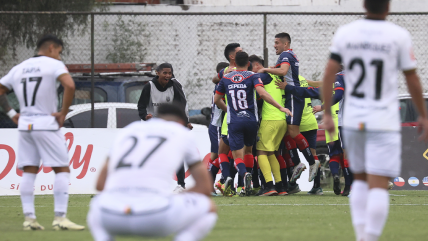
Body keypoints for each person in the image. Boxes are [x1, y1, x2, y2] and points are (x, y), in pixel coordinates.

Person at [321, 1, 428, 241]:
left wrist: (327, 113)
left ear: (364, 5)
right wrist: (423, 114)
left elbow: (328, 74)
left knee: (359, 178)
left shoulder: (346, 33)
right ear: (388, 7)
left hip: (353, 119)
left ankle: (362, 235)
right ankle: (369, 237)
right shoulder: (398, 36)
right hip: (383, 119)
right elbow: (412, 78)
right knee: (378, 181)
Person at [88, 103, 217, 241]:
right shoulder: (181, 132)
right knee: (209, 207)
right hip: (155, 216)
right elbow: (205, 187)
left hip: (110, 215)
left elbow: (100, 184)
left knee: (96, 204)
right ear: (181, 122)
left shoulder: (129, 130)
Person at [0, 34, 84, 231]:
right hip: (46, 124)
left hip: (25, 126)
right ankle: (60, 218)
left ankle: (29, 219)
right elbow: (70, 85)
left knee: (29, 171)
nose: (60, 57)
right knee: (62, 169)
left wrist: (12, 113)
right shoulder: (53, 65)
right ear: (52, 48)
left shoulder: (18, 68)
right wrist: (63, 113)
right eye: (60, 53)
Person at [214, 51, 292, 196]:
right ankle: (245, 185)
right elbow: (262, 94)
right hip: (251, 121)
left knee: (238, 156)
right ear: (248, 64)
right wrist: (281, 107)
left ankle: (244, 176)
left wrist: (229, 110)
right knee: (249, 152)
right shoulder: (253, 76)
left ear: (235, 63)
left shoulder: (226, 78)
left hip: (235, 122)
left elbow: (216, 100)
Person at [258, 33, 320, 184]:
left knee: (292, 131)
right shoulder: (290, 54)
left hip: (293, 96)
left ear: (286, 44)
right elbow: (283, 69)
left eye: (277, 42)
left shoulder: (285, 54)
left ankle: (311, 162)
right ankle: (300, 163)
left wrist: (265, 69)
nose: (274, 45)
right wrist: (273, 67)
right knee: (287, 131)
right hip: (294, 96)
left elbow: (284, 71)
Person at [137, 63, 192, 193]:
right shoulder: (149, 87)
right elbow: (141, 105)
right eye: (165, 73)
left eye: (169, 73)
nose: (167, 76)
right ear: (157, 73)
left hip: (170, 125)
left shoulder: (175, 86)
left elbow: (182, 105)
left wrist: (185, 122)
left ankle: (181, 185)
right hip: (153, 126)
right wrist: (145, 116)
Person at [249, 55, 287, 196]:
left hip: (270, 119)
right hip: (281, 119)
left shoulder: (264, 76)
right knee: (271, 153)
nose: (250, 72)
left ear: (258, 66)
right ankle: (280, 186)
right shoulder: (277, 77)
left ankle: (269, 186)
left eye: (250, 68)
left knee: (260, 152)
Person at [207, 62, 228, 196]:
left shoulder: (225, 86)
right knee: (216, 155)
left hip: (224, 126)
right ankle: (207, 185)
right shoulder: (220, 87)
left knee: (222, 155)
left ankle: (220, 182)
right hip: (216, 126)